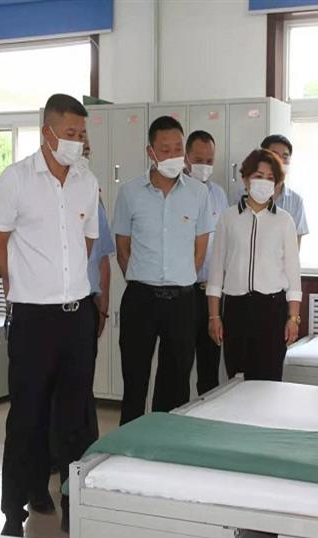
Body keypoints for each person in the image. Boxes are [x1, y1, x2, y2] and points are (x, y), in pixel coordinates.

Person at [0, 93, 99, 537]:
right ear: (46, 132)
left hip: (77, 316)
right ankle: (13, 513)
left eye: (82, 133)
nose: (77, 141)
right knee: (27, 418)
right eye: (70, 133)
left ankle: (73, 504)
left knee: (75, 420)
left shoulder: (87, 180)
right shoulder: (15, 179)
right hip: (33, 319)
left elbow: (86, 241)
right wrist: (22, 285)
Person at [112, 116, 214, 425]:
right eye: (165, 150)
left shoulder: (198, 193)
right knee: (135, 380)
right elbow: (122, 248)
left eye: (178, 149)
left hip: (182, 302)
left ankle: (164, 442)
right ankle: (129, 444)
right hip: (140, 299)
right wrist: (143, 277)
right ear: (151, 152)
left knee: (176, 384)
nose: (173, 156)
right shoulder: (130, 192)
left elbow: (199, 251)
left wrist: (178, 278)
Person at [41, 138, 111, 532]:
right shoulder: (37, 194)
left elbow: (101, 260)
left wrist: (102, 305)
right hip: (46, 310)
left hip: (83, 307)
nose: (79, 155)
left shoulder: (92, 195)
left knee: (79, 401)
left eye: (85, 149)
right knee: (43, 402)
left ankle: (77, 483)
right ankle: (42, 478)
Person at [207, 148, 302, 381]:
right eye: (259, 176)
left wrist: (293, 318)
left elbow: (293, 273)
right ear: (245, 179)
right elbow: (216, 271)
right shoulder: (229, 218)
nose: (264, 182)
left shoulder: (284, 221)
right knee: (237, 378)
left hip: (272, 309)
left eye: (270, 178)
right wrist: (214, 316)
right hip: (236, 308)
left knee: (269, 379)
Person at [185, 130, 229, 395]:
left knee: (209, 367)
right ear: (186, 157)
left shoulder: (219, 194)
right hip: (184, 292)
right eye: (198, 160)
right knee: (179, 364)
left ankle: (205, 415)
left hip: (212, 293)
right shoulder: (178, 192)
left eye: (209, 161)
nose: (204, 166)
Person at [228, 134, 309, 246]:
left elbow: (295, 244)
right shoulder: (238, 197)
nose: (280, 161)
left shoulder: (296, 201)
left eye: (285, 157)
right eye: (274, 155)